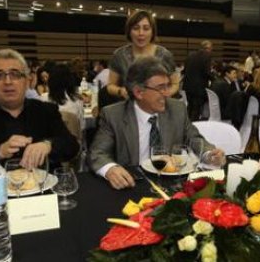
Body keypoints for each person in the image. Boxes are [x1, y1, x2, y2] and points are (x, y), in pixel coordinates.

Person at [89, 56, 224, 190]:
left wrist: (208, 154)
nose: (167, 93)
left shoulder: (177, 109)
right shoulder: (114, 115)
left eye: (168, 86)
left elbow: (194, 138)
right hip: (132, 184)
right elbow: (98, 153)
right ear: (138, 92)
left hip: (169, 185)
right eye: (161, 88)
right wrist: (110, 169)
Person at [0, 49, 79, 178]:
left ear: (26, 81)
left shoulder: (45, 110)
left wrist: (48, 145)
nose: (8, 82)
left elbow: (72, 147)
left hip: (43, 189)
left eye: (15, 74)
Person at [106, 10, 179, 103]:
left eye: (146, 28)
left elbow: (175, 84)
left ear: (152, 31)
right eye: (136, 28)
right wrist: (121, 91)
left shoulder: (164, 55)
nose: (141, 33)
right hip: (129, 110)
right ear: (129, 31)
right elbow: (110, 86)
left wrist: (166, 93)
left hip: (159, 108)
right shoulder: (119, 55)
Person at [182, 40, 213, 121]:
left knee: (190, 108)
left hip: (188, 86)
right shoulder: (207, 55)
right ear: (208, 48)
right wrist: (215, 78)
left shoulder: (190, 55)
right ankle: (193, 128)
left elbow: (184, 71)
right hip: (199, 88)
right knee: (196, 110)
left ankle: (186, 126)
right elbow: (207, 72)